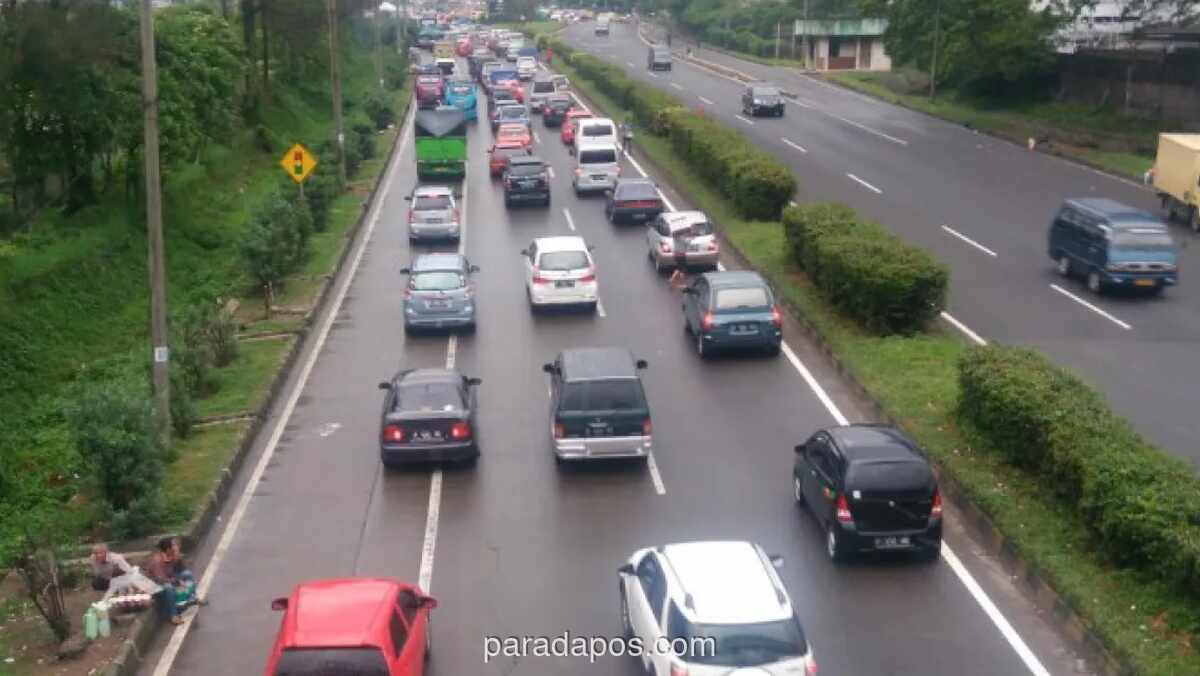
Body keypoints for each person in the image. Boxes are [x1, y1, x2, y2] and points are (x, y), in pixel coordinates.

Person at [146, 537, 205, 625]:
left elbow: (181, 569)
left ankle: (193, 597)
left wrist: (177, 557)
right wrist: (177, 581)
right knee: (169, 587)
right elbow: (161, 579)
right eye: (173, 546)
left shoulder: (171, 555)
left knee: (187, 574)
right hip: (156, 585)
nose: (175, 547)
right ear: (168, 549)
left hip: (169, 577)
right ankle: (173, 616)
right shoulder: (157, 561)